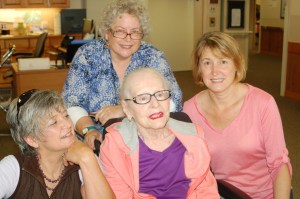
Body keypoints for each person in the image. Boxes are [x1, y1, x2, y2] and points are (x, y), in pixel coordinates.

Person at [183, 31, 292, 199]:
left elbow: (279, 165)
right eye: (207, 63)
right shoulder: (190, 110)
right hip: (221, 194)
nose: (214, 71)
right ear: (199, 68)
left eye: (223, 62)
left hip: (266, 195)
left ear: (237, 65)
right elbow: (191, 168)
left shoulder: (263, 104)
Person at [62, 0, 182, 149]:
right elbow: (72, 102)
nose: (128, 38)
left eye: (135, 32)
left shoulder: (153, 57)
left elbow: (174, 101)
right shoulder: (87, 55)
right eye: (120, 31)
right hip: (95, 142)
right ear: (107, 33)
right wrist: (89, 131)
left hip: (143, 142)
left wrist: (125, 109)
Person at [100, 68, 219, 198]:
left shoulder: (193, 136)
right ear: (127, 108)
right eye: (143, 98)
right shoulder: (114, 146)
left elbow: (207, 191)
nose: (155, 104)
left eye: (160, 95)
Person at [0, 90, 115, 199]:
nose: (68, 124)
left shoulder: (85, 160)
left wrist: (87, 157)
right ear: (32, 139)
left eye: (66, 116)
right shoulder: (14, 168)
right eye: (54, 122)